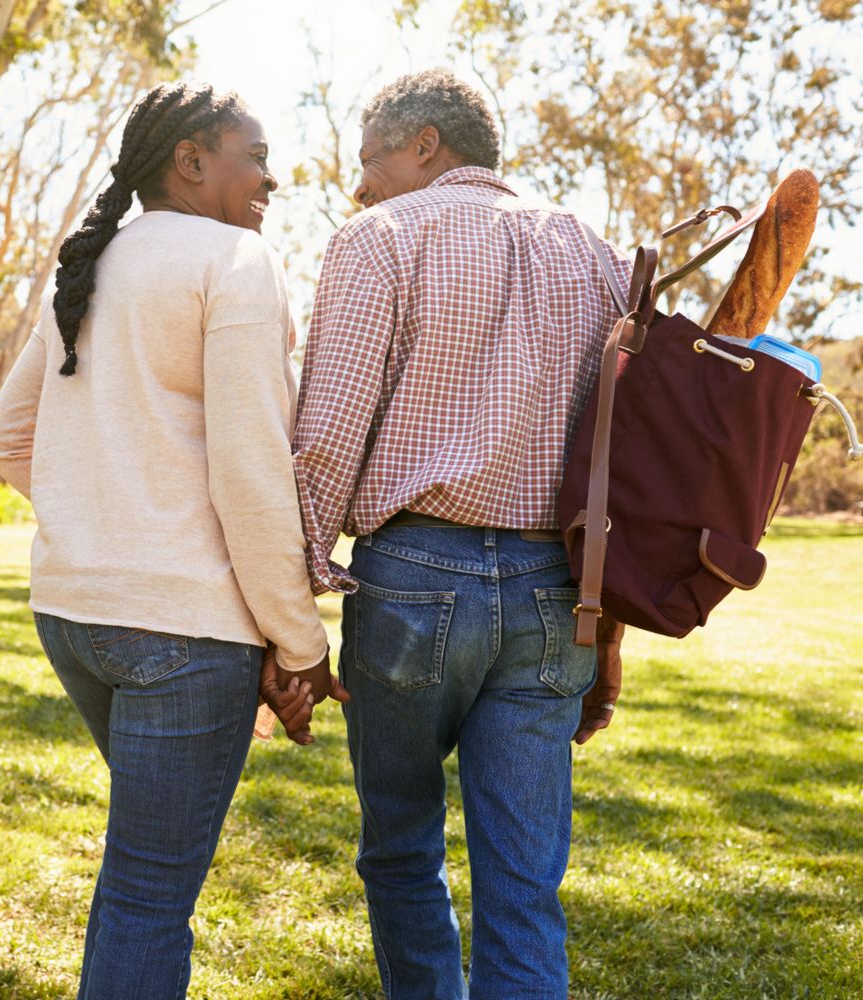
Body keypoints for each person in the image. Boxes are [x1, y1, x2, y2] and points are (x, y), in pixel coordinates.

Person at [0, 81, 345, 1000]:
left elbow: (6, 439)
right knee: (149, 892)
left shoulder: (93, 261)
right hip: (181, 641)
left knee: (136, 879)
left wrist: (108, 518)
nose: (273, 175)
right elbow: (252, 475)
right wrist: (299, 647)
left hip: (71, 616)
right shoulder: (236, 261)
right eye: (254, 155)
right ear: (189, 160)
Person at [290, 70, 628, 999]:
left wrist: (296, 600)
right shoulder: (593, 252)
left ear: (426, 144)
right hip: (558, 591)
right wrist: (610, 632)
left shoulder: (379, 239)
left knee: (401, 850)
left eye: (370, 161)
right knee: (525, 887)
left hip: (412, 578)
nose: (359, 185)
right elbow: (615, 461)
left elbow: (325, 437)